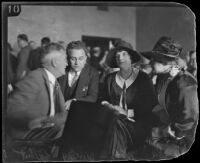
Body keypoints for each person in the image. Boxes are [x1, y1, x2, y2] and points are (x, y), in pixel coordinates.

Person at [6, 43, 68, 161]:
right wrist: (38, 121)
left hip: (46, 134)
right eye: (65, 59)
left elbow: (60, 114)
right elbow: (11, 109)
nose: (67, 63)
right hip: (28, 136)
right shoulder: (35, 77)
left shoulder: (54, 82)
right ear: (55, 62)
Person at [100, 40, 159, 159]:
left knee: (116, 122)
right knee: (115, 121)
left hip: (137, 125)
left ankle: (115, 156)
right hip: (113, 121)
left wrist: (126, 112)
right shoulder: (109, 79)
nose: (120, 57)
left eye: (124, 54)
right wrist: (107, 105)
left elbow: (149, 107)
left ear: (131, 57)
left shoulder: (143, 78)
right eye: (117, 55)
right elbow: (102, 98)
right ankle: (116, 156)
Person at [141, 36, 199, 158]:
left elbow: (188, 120)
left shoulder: (185, 83)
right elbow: (159, 105)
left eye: (154, 59)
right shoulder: (163, 79)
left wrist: (162, 132)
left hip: (183, 138)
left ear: (165, 62)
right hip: (166, 129)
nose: (150, 62)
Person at [58, 41, 99, 109]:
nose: (77, 63)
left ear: (86, 58)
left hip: (80, 111)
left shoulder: (93, 73)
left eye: (80, 58)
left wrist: (75, 101)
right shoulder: (61, 70)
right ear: (68, 58)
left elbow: (93, 97)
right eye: (73, 59)